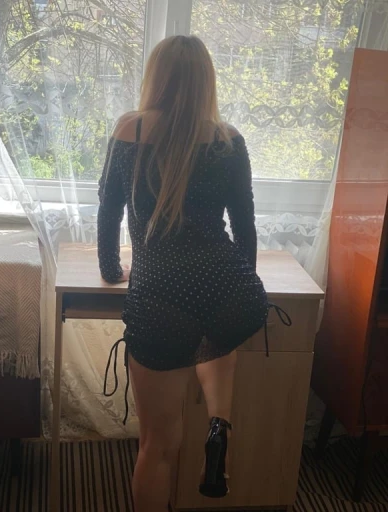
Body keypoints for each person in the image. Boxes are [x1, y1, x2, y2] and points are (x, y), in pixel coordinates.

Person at [97, 35, 269, 512]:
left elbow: (108, 212)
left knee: (157, 444)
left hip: (161, 297)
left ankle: (207, 433)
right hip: (231, 290)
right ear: (205, 82)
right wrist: (244, 279)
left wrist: (111, 270)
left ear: (157, 77)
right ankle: (219, 426)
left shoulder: (130, 129)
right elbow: (245, 225)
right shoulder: (228, 139)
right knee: (214, 334)